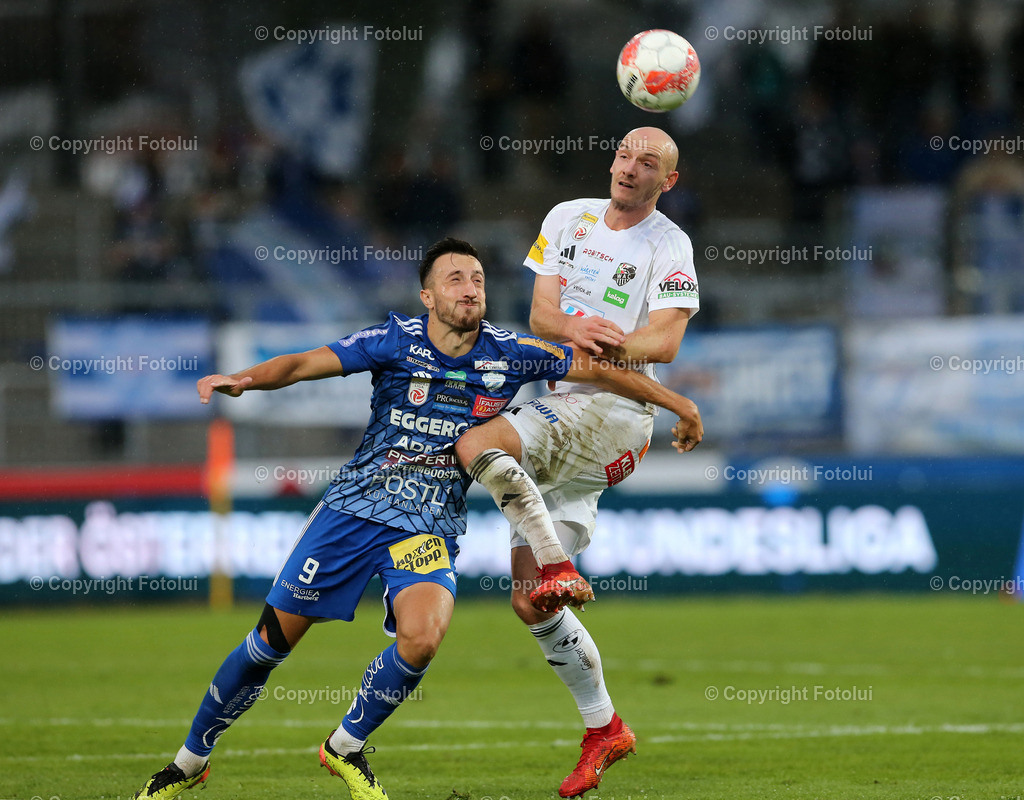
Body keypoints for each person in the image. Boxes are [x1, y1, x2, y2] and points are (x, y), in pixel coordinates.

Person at [130, 236, 702, 800]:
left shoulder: (511, 351)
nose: (470, 289)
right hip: (353, 511)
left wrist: (679, 404)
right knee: (269, 645)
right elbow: (306, 363)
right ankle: (189, 763)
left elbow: (598, 370)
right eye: (455, 279)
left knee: (423, 640)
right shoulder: (393, 340)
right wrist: (245, 379)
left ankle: (346, 747)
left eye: (477, 279)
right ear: (427, 296)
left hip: (428, 524)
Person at [455, 127, 702, 797]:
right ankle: (606, 728)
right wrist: (574, 330)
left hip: (615, 419)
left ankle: (562, 567)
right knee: (530, 601)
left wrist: (612, 344)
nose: (631, 166)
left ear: (666, 181)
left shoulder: (668, 245)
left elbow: (668, 338)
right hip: (566, 405)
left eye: (649, 161)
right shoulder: (568, 218)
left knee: (477, 442)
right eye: (625, 152)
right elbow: (541, 312)